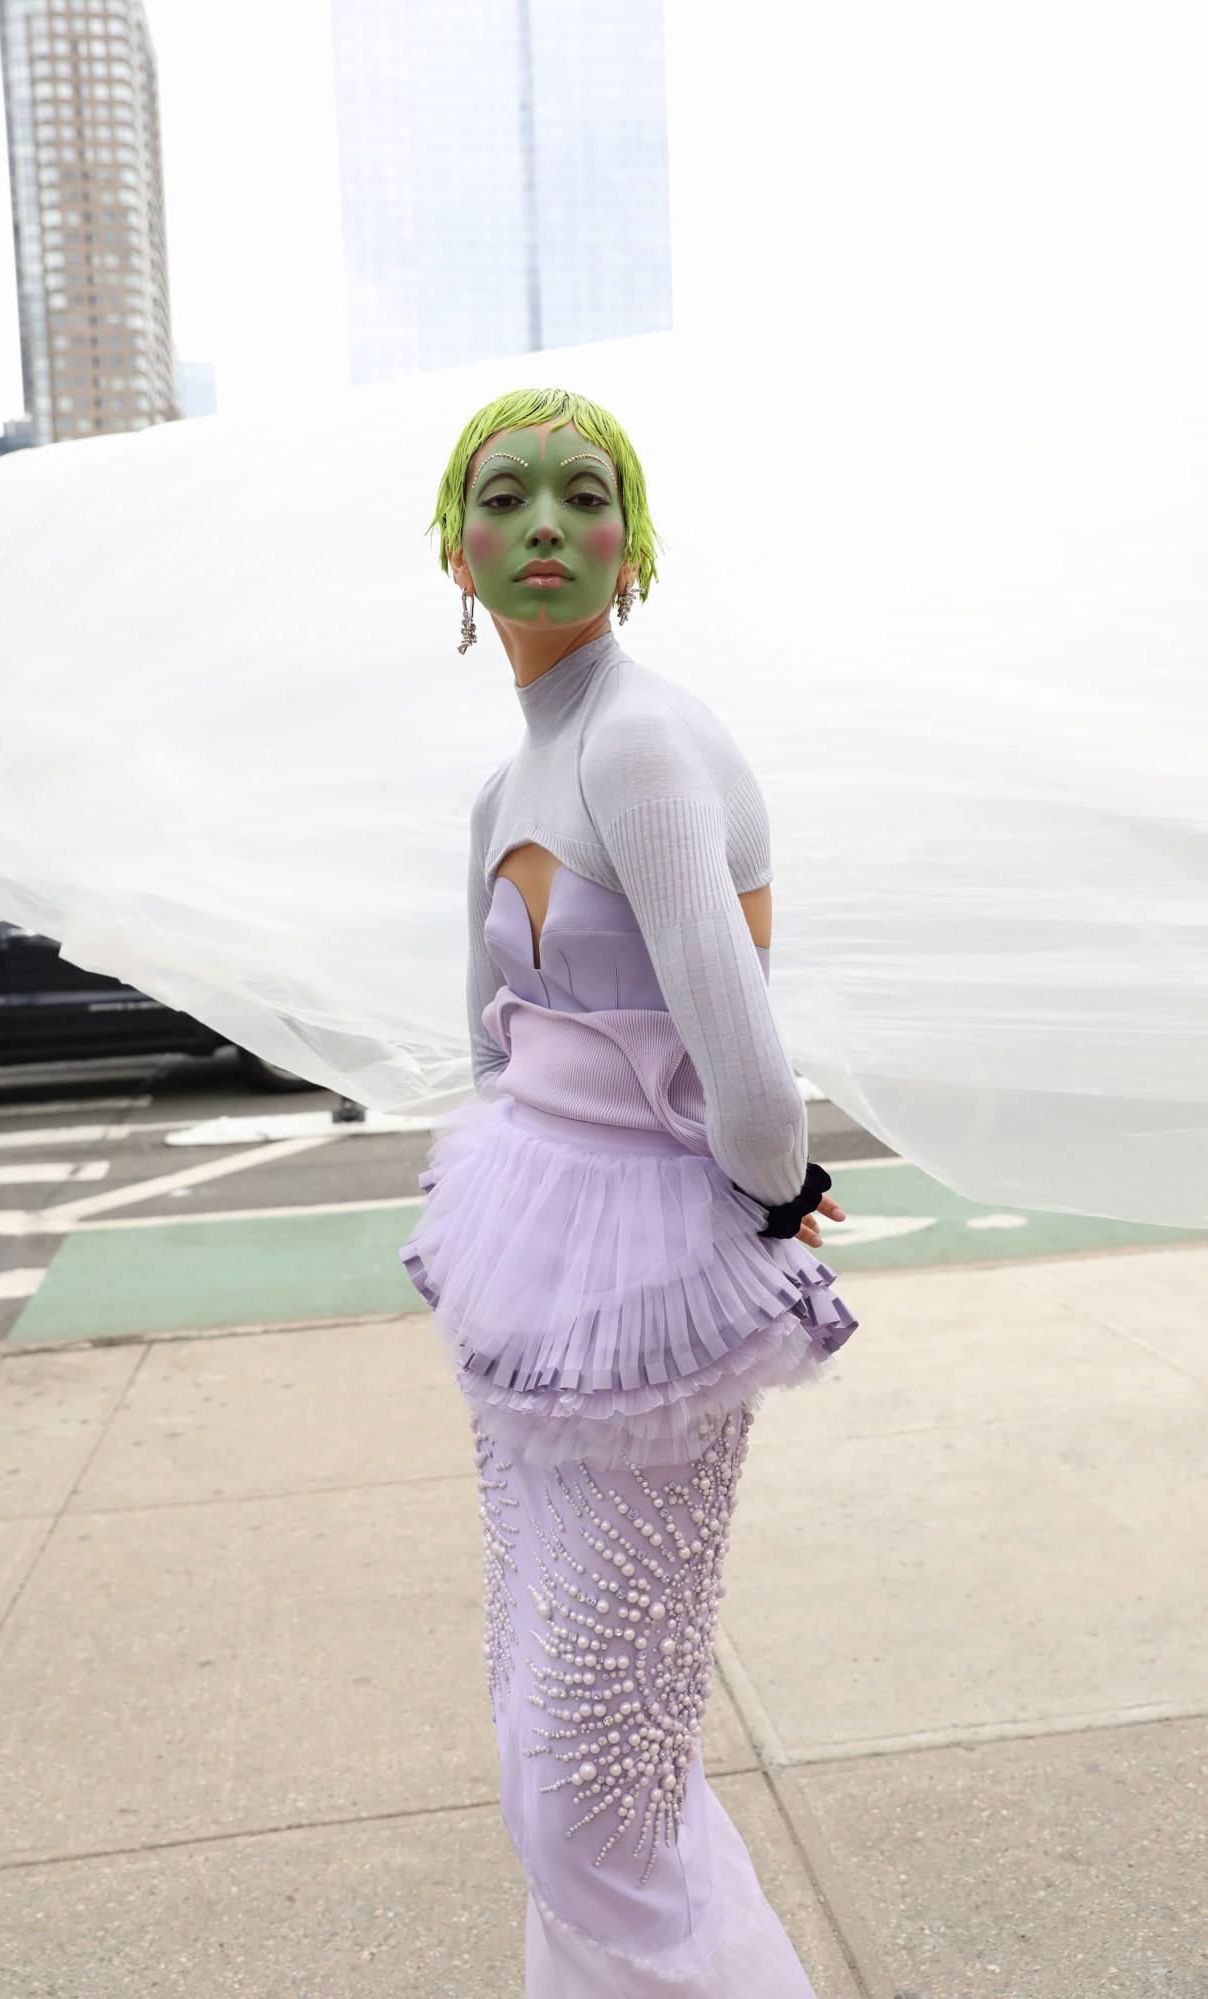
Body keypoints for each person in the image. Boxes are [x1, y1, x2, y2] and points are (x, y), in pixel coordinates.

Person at [400, 387, 859, 1995]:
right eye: (503, 498)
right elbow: (488, 1037)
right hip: (524, 1258)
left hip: (653, 1280)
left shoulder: (643, 739)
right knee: (536, 1720)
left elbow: (743, 1053)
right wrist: (515, 1178)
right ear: (452, 550)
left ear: (632, 538)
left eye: (581, 495)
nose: (542, 526)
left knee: (595, 1771)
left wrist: (771, 1194)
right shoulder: (504, 783)